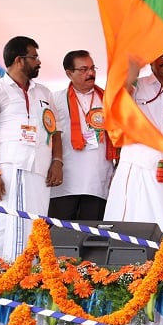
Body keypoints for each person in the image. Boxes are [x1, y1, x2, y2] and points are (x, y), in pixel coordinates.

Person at [0, 36, 62, 260]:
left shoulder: (44, 92)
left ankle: (29, 278)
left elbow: (55, 132)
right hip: (10, 169)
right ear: (19, 60)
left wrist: (57, 162)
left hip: (40, 172)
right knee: (5, 226)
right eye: (34, 57)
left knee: (35, 226)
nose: (39, 62)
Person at [103, 48, 163, 237]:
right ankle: (124, 264)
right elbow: (118, 104)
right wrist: (131, 71)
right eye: (162, 57)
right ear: (151, 61)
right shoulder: (137, 85)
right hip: (137, 163)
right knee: (132, 219)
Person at [48, 50, 115, 221]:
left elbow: (119, 137)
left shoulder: (108, 99)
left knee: (91, 237)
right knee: (60, 235)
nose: (91, 73)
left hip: (98, 179)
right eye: (84, 69)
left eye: (92, 68)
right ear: (69, 73)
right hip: (65, 180)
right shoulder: (55, 99)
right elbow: (50, 136)